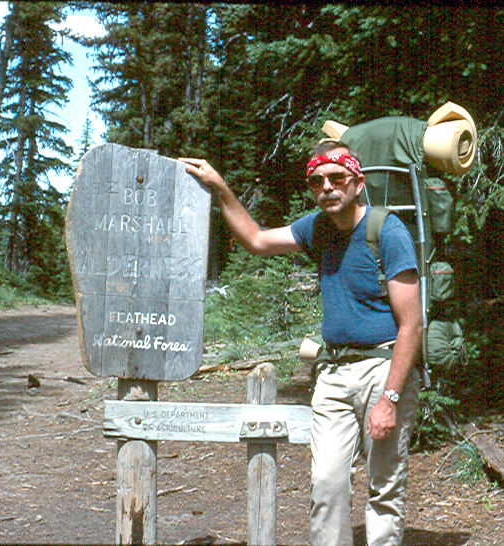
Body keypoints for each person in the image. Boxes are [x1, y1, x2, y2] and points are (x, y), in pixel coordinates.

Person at [179, 140, 422, 546]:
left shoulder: (388, 231)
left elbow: (412, 324)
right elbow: (256, 240)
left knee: (384, 486)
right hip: (332, 373)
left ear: (357, 183)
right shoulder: (318, 227)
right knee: (326, 484)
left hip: (383, 369)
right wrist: (221, 188)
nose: (327, 187)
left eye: (337, 178)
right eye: (317, 181)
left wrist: (390, 399)